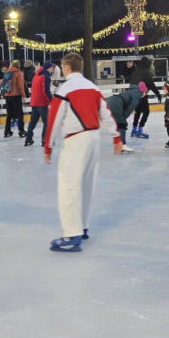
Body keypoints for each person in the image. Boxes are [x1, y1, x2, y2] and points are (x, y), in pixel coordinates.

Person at [44, 52, 123, 252]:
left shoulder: (65, 88)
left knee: (69, 185)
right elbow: (105, 113)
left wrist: (48, 146)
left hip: (75, 139)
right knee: (87, 184)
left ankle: (72, 234)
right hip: (93, 138)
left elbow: (54, 118)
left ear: (66, 67)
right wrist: (115, 136)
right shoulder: (93, 87)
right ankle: (83, 226)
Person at [106, 82, 146, 151]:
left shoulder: (133, 91)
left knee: (118, 124)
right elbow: (130, 108)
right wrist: (124, 118)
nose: (145, 95)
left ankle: (118, 144)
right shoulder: (138, 95)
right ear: (144, 91)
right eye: (146, 93)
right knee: (122, 124)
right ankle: (122, 145)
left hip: (110, 100)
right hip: (116, 103)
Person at [129, 56, 162, 138]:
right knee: (146, 112)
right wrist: (158, 94)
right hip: (142, 95)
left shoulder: (136, 71)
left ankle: (134, 129)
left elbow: (132, 83)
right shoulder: (146, 72)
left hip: (135, 94)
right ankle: (140, 129)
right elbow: (151, 85)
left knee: (138, 112)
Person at [24, 61, 54, 146]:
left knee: (32, 122)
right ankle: (45, 140)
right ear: (49, 68)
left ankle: (28, 139)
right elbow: (46, 90)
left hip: (34, 102)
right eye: (51, 68)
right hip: (42, 102)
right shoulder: (46, 76)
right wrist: (51, 100)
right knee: (47, 121)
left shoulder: (36, 75)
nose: (52, 70)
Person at [1, 59, 27, 138]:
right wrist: (23, 95)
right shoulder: (18, 73)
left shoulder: (7, 72)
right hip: (16, 95)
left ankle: (7, 131)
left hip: (8, 95)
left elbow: (3, 83)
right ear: (18, 65)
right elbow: (21, 86)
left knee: (9, 114)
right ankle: (21, 131)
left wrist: (3, 93)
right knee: (20, 114)